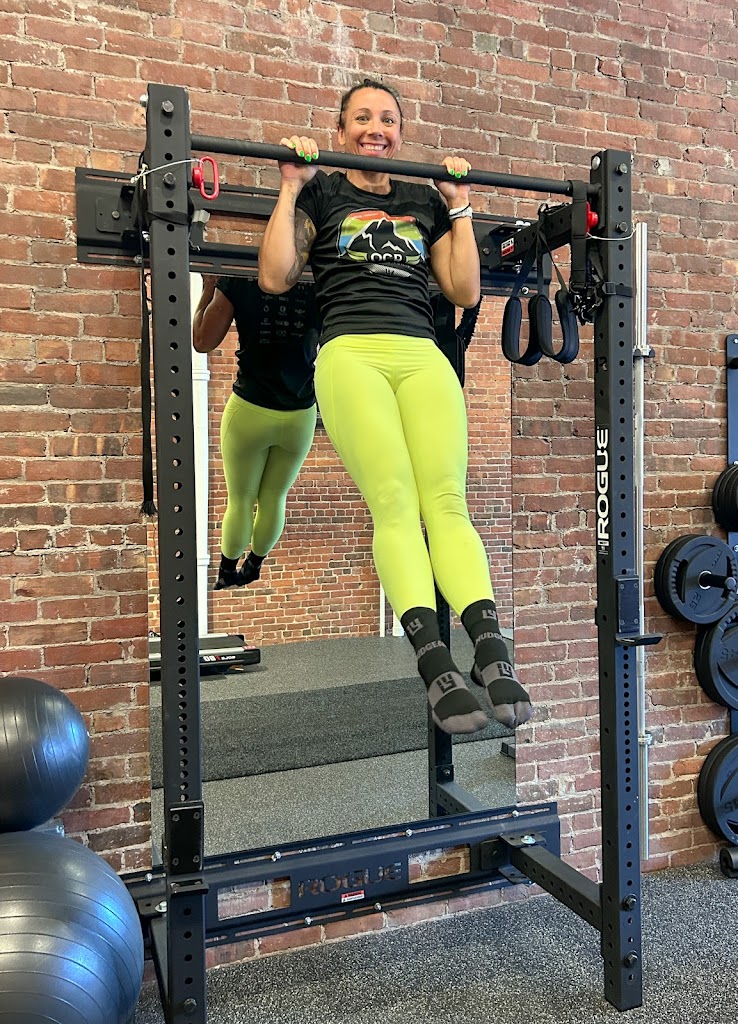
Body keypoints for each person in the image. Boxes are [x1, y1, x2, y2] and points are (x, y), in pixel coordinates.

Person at [258, 78, 532, 735]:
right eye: (361, 118)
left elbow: (464, 291)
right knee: (396, 503)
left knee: (448, 502)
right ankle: (435, 665)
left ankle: (490, 652)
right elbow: (274, 276)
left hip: (421, 356)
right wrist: (290, 187)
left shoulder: (420, 200)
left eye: (387, 119)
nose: (374, 129)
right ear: (341, 130)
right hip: (351, 353)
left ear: (401, 133)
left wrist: (460, 206)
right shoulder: (322, 193)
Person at [192, 275, 318, 590]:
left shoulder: (239, 277)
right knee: (274, 497)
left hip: (250, 410)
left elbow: (202, 340)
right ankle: (254, 564)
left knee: (241, 499)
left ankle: (226, 570)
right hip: (299, 415)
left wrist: (208, 288)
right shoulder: (316, 281)